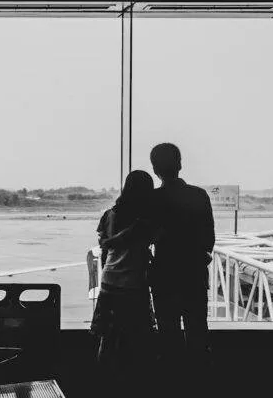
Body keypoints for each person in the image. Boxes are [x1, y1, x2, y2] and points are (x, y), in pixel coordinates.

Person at [102, 143, 215, 396]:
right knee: (198, 330)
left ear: (155, 169)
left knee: (169, 333)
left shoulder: (154, 199)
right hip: (195, 274)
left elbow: (140, 230)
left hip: (165, 275)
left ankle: (173, 385)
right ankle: (201, 384)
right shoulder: (199, 195)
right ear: (180, 163)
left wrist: (112, 241)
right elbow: (209, 238)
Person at [90, 170, 156, 398]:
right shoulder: (146, 220)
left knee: (106, 338)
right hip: (133, 285)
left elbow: (104, 246)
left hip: (109, 282)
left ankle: (102, 386)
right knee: (138, 339)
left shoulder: (110, 214)